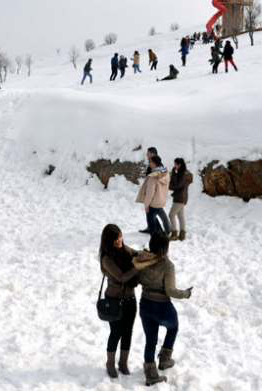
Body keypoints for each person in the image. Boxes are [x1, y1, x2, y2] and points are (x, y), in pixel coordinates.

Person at [99, 224, 157, 379]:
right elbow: (122, 277)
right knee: (116, 332)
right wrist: (137, 267)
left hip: (130, 299)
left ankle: (123, 363)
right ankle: (110, 364)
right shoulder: (107, 259)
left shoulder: (125, 250)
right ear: (108, 241)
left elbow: (137, 253)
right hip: (114, 301)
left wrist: (148, 255)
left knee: (128, 332)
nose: (119, 240)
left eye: (120, 236)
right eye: (115, 239)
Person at [135, 234, 192, 386]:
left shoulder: (142, 259)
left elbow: (137, 279)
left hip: (145, 305)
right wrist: (186, 294)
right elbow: (171, 291)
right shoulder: (168, 265)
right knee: (173, 328)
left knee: (150, 340)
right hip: (162, 307)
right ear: (166, 247)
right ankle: (165, 360)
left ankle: (151, 374)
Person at [139, 148, 171, 235]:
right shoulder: (165, 172)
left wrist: (146, 204)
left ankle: (155, 235)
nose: (149, 164)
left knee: (150, 219)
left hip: (153, 201)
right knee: (162, 215)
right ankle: (168, 231)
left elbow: (150, 192)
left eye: (150, 162)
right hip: (161, 199)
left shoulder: (153, 176)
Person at [169, 159, 193, 241]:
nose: (174, 165)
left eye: (175, 164)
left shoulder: (182, 174)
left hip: (180, 198)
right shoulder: (184, 173)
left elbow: (176, 185)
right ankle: (182, 235)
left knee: (171, 215)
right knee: (180, 216)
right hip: (182, 197)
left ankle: (174, 233)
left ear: (179, 165)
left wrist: (173, 174)